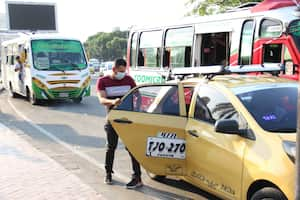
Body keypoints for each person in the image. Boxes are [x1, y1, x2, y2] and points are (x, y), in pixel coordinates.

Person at [96, 58, 143, 189]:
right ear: (114, 69)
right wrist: (112, 102)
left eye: (124, 71)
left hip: (128, 119)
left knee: (131, 147)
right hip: (113, 118)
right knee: (111, 146)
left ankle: (137, 176)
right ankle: (108, 173)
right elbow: (101, 99)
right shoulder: (103, 81)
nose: (122, 74)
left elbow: (138, 95)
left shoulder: (128, 80)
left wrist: (137, 109)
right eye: (120, 71)